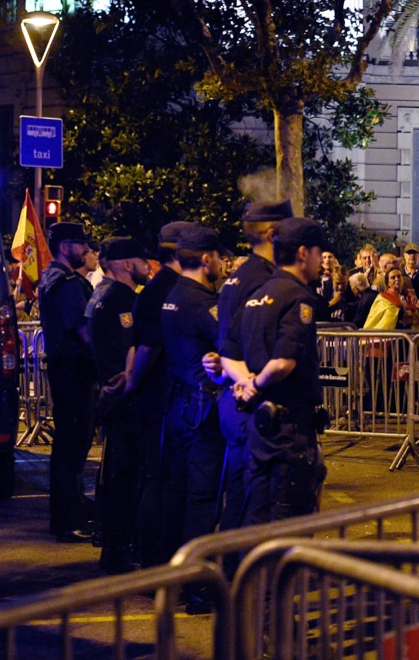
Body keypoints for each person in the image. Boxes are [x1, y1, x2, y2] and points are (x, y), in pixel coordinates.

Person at [221, 217, 331, 524]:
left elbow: (228, 353)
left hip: (259, 428)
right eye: (318, 252)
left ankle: (251, 573)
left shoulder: (257, 294)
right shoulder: (297, 297)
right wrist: (255, 382)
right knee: (289, 524)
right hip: (290, 432)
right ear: (302, 254)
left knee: (258, 516)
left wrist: (245, 382)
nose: (321, 260)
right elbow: (284, 362)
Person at [215, 201, 292, 535]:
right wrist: (250, 382)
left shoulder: (239, 276)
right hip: (251, 400)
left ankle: (230, 573)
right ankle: (241, 577)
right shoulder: (263, 279)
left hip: (233, 396)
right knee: (255, 498)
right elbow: (249, 341)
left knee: (240, 492)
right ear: (274, 234)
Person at [125, 221, 192, 567]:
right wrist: (132, 384)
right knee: (160, 478)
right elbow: (148, 348)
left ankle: (153, 555)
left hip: (159, 396)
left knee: (159, 477)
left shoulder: (154, 289)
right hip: (162, 396)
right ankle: (153, 560)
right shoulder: (169, 290)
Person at [161, 226, 230, 559]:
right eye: (218, 256)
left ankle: (171, 568)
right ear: (206, 259)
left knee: (176, 490)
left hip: (176, 405)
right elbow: (231, 344)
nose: (221, 262)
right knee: (203, 496)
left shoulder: (173, 296)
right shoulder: (203, 303)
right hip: (202, 409)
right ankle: (197, 582)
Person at [88, 237, 151, 573]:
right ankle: (119, 551)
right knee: (127, 478)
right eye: (142, 261)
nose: (147, 267)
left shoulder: (100, 296)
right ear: (128, 264)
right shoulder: (123, 300)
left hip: (111, 398)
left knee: (115, 476)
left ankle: (112, 547)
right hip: (124, 400)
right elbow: (130, 352)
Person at [39, 222, 98, 543]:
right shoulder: (69, 284)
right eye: (81, 244)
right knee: (73, 449)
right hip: (76, 374)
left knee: (67, 447)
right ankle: (68, 520)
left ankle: (66, 516)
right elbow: (84, 332)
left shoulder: (52, 279)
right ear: (64, 246)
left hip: (64, 373)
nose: (87, 250)